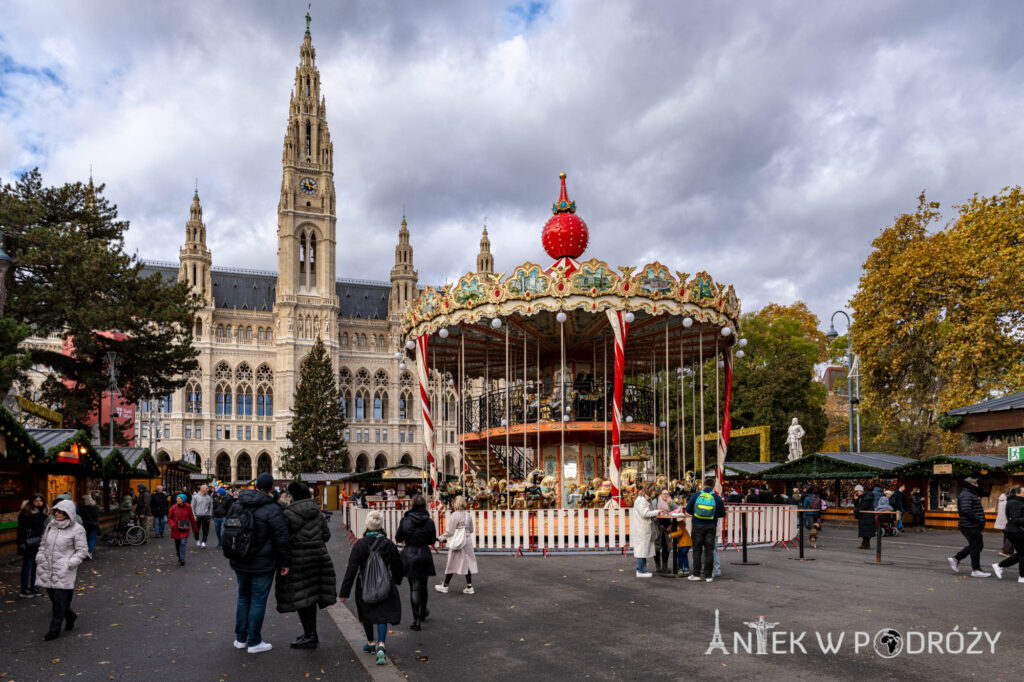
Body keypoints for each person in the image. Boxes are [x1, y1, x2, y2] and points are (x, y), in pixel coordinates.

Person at [229, 472, 292, 654]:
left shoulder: (238, 504)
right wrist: (285, 562)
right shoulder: (273, 509)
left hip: (240, 559)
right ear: (271, 488)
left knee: (243, 597)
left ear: (255, 486)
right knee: (257, 600)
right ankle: (254, 641)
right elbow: (282, 538)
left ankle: (241, 639)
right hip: (262, 563)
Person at [275, 482, 336, 649]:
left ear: (293, 496)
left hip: (299, 560)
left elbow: (284, 539)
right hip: (318, 558)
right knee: (312, 597)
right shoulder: (317, 511)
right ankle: (311, 633)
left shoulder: (287, 513)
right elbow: (326, 535)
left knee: (303, 597)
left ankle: (310, 635)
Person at [339, 510, 404, 666]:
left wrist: (344, 593)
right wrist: (397, 580)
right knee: (383, 615)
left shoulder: (359, 545)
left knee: (367, 614)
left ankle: (370, 644)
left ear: (367, 525)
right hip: (385, 585)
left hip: (364, 585)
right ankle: (381, 644)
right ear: (381, 525)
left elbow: (351, 570)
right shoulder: (388, 544)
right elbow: (397, 565)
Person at [35, 499, 88, 640]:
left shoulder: (77, 529)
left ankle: (54, 629)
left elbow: (82, 551)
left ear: (68, 513)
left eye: (60, 511)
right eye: (55, 511)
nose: (57, 514)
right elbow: (43, 543)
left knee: (59, 603)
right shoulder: (51, 526)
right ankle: (70, 616)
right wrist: (40, 557)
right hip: (47, 568)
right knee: (55, 600)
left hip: (64, 571)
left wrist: (69, 564)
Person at [396, 494, 437, 630]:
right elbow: (432, 540)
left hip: (410, 554)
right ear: (424, 505)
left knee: (414, 587)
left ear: (412, 505)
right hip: (424, 553)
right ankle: (423, 611)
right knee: (423, 585)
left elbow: (398, 537)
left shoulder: (405, 520)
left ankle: (416, 620)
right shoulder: (429, 522)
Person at [947, 477, 990, 577]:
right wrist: (978, 519)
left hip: (970, 525)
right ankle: (975, 570)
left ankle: (956, 559)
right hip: (969, 525)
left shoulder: (969, 494)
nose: (977, 485)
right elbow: (966, 510)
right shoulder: (966, 495)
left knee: (976, 545)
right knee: (976, 545)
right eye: (974, 484)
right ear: (969, 484)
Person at [686, 478, 726, 583]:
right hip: (711, 527)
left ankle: (696, 574)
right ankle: (708, 576)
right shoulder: (717, 497)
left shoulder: (696, 495)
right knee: (709, 551)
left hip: (697, 526)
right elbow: (722, 513)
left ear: (703, 485)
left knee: (697, 551)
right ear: (713, 486)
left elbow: (688, 510)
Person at [436, 495, 478, 593]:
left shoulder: (455, 515)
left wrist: (441, 538)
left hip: (458, 542)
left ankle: (445, 585)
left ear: (456, 503)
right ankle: (469, 586)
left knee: (452, 562)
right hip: (467, 542)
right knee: (467, 562)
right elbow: (471, 530)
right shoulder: (468, 515)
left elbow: (450, 531)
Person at [17, 493, 47, 598]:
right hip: (29, 543)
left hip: (40, 543)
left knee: (37, 566)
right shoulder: (26, 513)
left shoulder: (44, 513)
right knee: (27, 566)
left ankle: (34, 587)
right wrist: (21, 542)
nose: (39, 503)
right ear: (32, 502)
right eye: (36, 501)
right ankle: (24, 589)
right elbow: (21, 529)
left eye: (40, 501)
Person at [992, 486, 1024, 583]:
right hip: (1014, 531)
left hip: (1015, 530)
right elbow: (1015, 519)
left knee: (1021, 553)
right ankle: (1022, 576)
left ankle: (999, 566)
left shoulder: (1018, 502)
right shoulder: (1014, 503)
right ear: (1018, 493)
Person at [630, 483, 659, 578]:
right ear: (649, 490)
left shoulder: (645, 500)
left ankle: (643, 569)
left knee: (643, 549)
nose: (655, 492)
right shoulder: (641, 500)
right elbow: (644, 513)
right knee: (641, 549)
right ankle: (641, 570)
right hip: (641, 528)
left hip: (643, 528)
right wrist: (657, 512)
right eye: (653, 490)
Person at [653, 488, 680, 574]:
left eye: (667, 494)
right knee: (657, 545)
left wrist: (670, 503)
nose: (666, 495)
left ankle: (665, 566)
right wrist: (659, 523)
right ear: (660, 494)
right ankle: (658, 566)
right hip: (658, 525)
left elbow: (677, 510)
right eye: (664, 493)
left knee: (666, 546)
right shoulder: (655, 501)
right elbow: (653, 512)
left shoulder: (670, 500)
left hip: (668, 525)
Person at [168, 494, 198, 566]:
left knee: (183, 543)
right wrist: (172, 525)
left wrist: (195, 529)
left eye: (179, 498)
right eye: (177, 498)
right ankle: (179, 556)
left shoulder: (188, 507)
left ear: (183, 500)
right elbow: (169, 517)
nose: (177, 500)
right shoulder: (173, 507)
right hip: (176, 528)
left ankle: (182, 558)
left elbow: (191, 518)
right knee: (177, 544)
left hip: (185, 527)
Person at [853, 484, 876, 549]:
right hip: (864, 517)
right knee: (864, 531)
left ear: (859, 491)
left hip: (867, 517)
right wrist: (856, 499)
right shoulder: (862, 497)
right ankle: (864, 544)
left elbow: (863, 507)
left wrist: (855, 511)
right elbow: (857, 506)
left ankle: (866, 544)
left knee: (867, 531)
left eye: (856, 492)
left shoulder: (867, 497)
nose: (856, 493)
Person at [80, 495, 100, 560]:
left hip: (85, 525)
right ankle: (89, 552)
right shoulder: (95, 508)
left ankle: (86, 552)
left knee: (86, 539)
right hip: (94, 525)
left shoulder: (82, 508)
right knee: (92, 539)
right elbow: (97, 516)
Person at [994, 491, 1013, 557]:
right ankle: (1006, 551)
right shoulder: (1008, 502)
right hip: (1007, 521)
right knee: (1011, 535)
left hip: (1001, 520)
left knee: (1006, 535)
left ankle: (1008, 551)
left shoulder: (1002, 500)